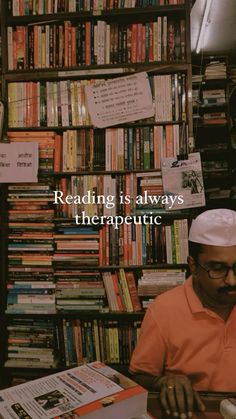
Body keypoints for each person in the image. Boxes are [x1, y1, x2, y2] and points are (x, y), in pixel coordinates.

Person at [129, 209, 236, 418]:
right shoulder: (164, 309)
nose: (232, 281)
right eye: (217, 268)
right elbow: (139, 376)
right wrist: (164, 381)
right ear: (193, 266)